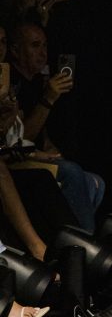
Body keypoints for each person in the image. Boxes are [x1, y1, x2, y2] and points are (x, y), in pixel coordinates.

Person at [8, 21, 105, 233]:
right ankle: (85, 243)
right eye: (35, 46)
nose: (42, 53)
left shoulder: (36, 81)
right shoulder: (11, 84)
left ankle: (73, 238)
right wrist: (49, 99)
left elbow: (41, 133)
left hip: (34, 153)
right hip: (14, 158)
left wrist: (51, 149)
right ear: (15, 50)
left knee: (95, 182)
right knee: (72, 173)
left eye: (44, 45)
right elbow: (20, 138)